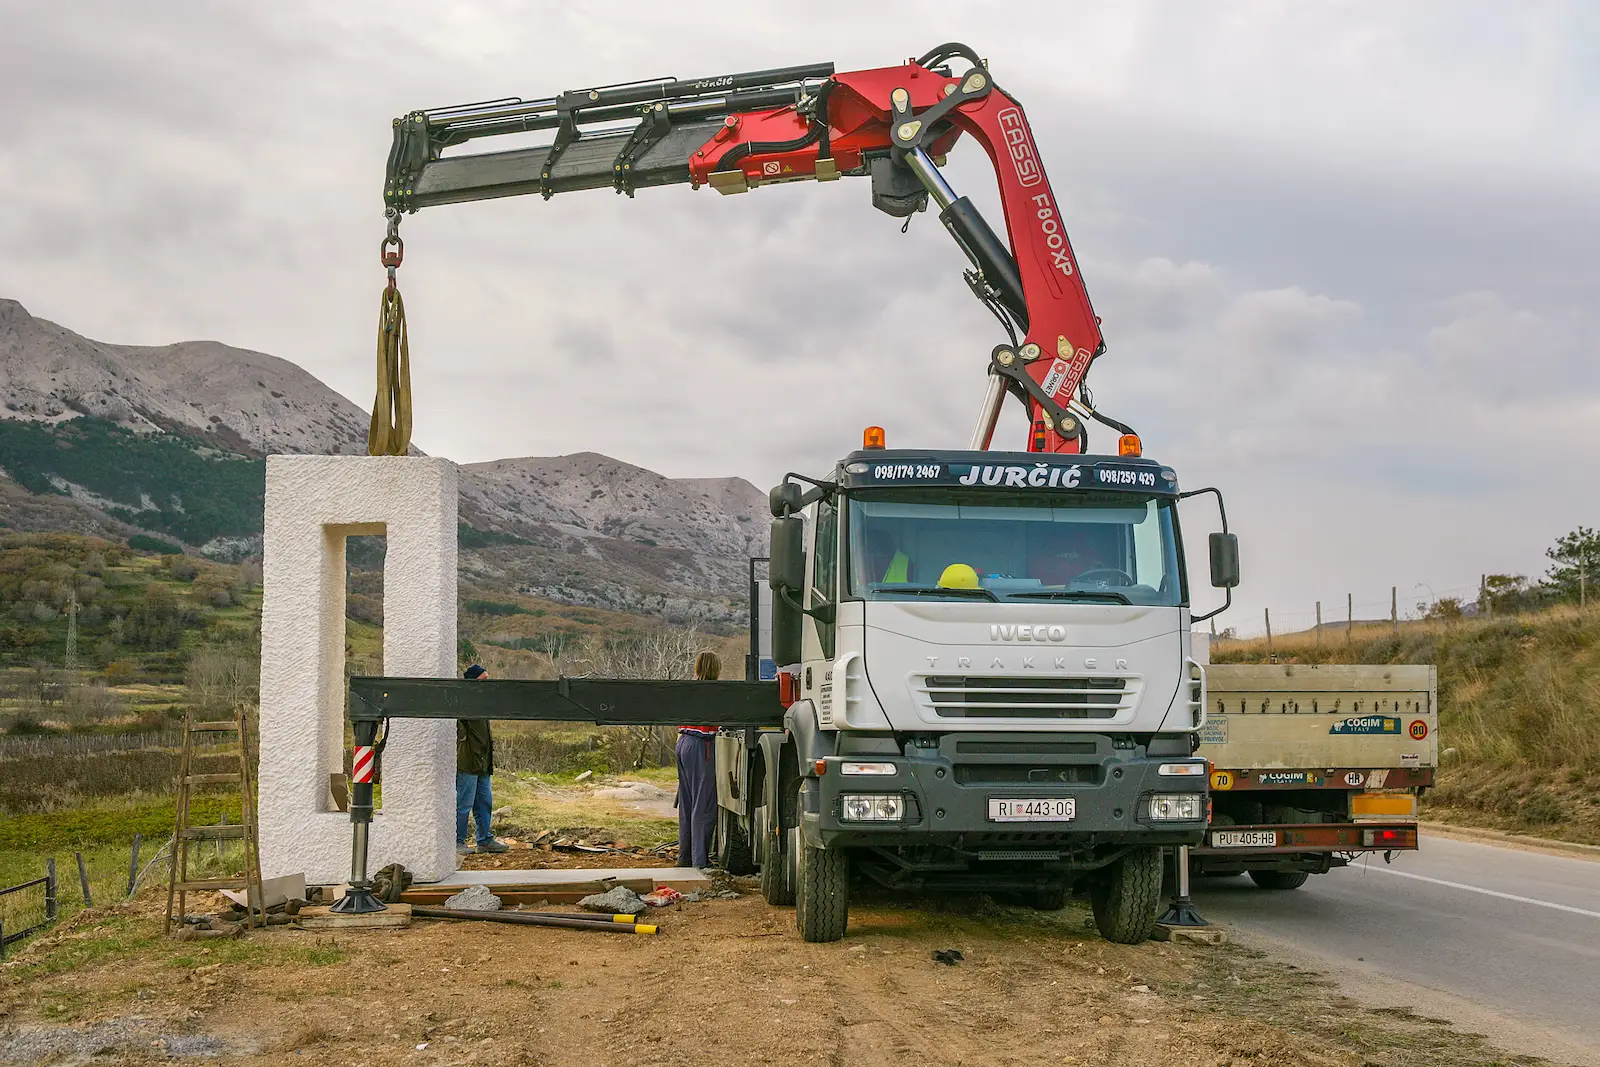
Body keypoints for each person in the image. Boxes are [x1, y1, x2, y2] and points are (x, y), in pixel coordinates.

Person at [675, 651, 721, 869]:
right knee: (704, 805)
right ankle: (700, 861)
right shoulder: (715, 691)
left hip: (683, 742)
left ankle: (685, 856)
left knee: (687, 803)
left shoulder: (689, 688)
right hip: (702, 745)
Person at [456, 664, 508, 854]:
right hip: (468, 761)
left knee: (484, 802)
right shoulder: (464, 703)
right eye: (483, 680)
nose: (487, 683)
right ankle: (457, 841)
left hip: (482, 762)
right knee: (463, 804)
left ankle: (484, 840)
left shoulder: (481, 705)